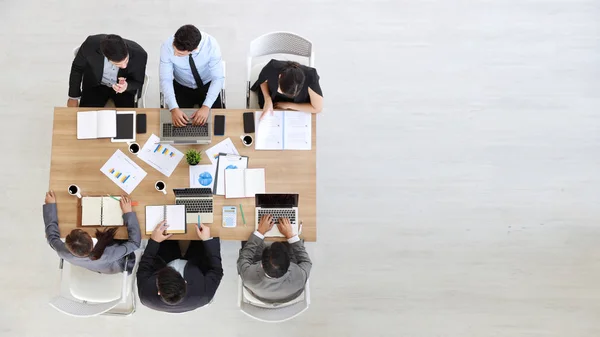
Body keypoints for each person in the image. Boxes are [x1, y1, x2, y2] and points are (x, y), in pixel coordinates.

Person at [43, 191, 141, 274]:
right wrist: (128, 213)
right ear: (90, 238)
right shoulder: (108, 254)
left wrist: (50, 206)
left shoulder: (62, 252)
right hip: (117, 264)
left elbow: (52, 237)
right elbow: (135, 243)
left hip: (96, 265)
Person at [137, 221, 223, 313]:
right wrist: (207, 240)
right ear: (185, 282)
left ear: (159, 291)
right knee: (201, 233)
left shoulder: (145, 295)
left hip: (165, 261)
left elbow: (144, 266)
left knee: (166, 232)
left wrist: (154, 241)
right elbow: (217, 271)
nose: (175, 268)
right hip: (195, 264)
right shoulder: (204, 295)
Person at [159, 24, 225, 127]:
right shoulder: (167, 46)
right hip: (181, 86)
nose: (175, 55)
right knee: (177, 125)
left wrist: (206, 107)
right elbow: (165, 79)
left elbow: (218, 78)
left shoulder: (211, 45)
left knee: (217, 125)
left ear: (194, 49)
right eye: (174, 50)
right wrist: (173, 108)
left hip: (207, 85)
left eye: (180, 54)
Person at [237, 215, 312, 303]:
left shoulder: (248, 276)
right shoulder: (300, 277)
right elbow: (306, 261)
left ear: (261, 264)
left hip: (260, 294)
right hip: (288, 294)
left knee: (249, 237)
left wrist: (260, 232)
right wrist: (290, 235)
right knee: (295, 242)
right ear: (290, 264)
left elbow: (244, 257)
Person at [67, 34, 148, 108]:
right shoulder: (90, 44)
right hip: (95, 86)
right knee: (86, 117)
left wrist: (126, 86)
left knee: (126, 120)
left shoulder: (140, 55)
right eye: (118, 64)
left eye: (126, 60)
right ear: (105, 56)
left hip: (124, 91)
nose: (124, 66)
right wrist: (73, 97)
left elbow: (138, 82)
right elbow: (77, 68)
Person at [251, 59, 323, 120]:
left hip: (298, 105)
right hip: (273, 97)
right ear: (280, 76)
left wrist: (288, 105)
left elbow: (317, 108)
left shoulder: (311, 77)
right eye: (282, 91)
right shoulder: (272, 67)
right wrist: (267, 99)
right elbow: (262, 80)